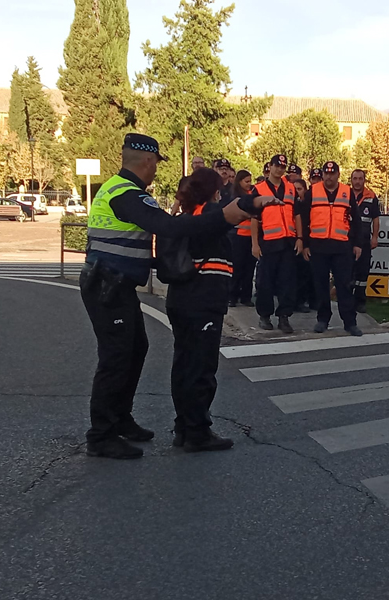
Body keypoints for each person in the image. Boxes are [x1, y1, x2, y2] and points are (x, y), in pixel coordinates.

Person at [81, 133, 270, 460]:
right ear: (148, 161)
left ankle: (121, 418)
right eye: (156, 164)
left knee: (136, 349)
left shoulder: (121, 190)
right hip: (108, 283)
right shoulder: (126, 194)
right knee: (116, 358)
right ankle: (101, 434)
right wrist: (225, 216)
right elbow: (167, 228)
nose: (156, 171)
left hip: (115, 283)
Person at [167, 168, 240, 452]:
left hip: (180, 300)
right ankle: (197, 431)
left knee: (183, 364)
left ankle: (183, 426)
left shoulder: (185, 218)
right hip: (204, 301)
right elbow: (234, 215)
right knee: (202, 367)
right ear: (213, 191)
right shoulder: (210, 215)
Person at [296, 161, 363, 337]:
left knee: (344, 286)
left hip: (342, 247)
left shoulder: (346, 192)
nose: (329, 176)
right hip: (318, 247)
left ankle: (350, 322)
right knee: (320, 286)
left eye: (332, 174)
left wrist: (357, 244)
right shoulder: (313, 192)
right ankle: (323, 319)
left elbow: (356, 220)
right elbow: (303, 219)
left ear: (338, 175)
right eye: (326, 173)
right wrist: (304, 243)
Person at [251, 154, 298, 333]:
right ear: (270, 167)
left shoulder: (291, 189)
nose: (280, 169)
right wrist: (254, 244)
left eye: (283, 167)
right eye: (277, 166)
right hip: (268, 243)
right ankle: (264, 316)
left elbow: (297, 215)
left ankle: (284, 317)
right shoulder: (259, 189)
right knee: (265, 282)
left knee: (287, 282)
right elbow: (254, 219)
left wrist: (299, 239)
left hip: (287, 242)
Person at [350, 169, 381, 313]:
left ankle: (360, 301)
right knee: (348, 272)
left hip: (364, 240)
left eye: (360, 178)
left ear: (364, 180)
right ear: (351, 180)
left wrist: (374, 237)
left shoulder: (371, 196)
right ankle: (347, 300)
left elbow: (375, 219)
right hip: (347, 240)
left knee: (363, 273)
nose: (357, 181)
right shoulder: (345, 194)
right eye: (355, 178)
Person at [229, 169, 257, 307]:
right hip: (238, 237)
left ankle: (246, 296)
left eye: (250, 181)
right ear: (239, 182)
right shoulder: (235, 196)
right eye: (246, 181)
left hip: (251, 237)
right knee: (237, 267)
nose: (249, 184)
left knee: (249, 268)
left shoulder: (253, 194)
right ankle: (232, 296)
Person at [293, 178, 316, 313]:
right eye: (294, 189)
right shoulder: (289, 205)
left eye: (299, 189)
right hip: (292, 241)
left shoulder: (308, 206)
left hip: (306, 242)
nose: (297, 192)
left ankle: (305, 301)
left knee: (305, 274)